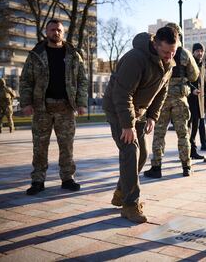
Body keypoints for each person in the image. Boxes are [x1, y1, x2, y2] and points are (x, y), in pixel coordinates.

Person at [103, 26, 178, 223]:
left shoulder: (168, 62)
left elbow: (162, 92)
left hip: (139, 112)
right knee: (130, 152)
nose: (169, 56)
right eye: (165, 52)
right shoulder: (135, 59)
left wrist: (152, 116)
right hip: (119, 110)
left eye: (173, 51)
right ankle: (130, 205)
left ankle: (121, 192)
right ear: (155, 44)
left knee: (142, 155)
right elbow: (122, 94)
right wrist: (127, 125)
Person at [20, 19, 88, 196]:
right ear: (46, 31)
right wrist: (26, 103)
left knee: (67, 146)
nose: (55, 33)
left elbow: (82, 80)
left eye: (58, 30)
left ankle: (67, 179)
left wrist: (81, 103)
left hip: (65, 108)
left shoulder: (73, 55)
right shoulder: (36, 54)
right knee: (39, 146)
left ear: (63, 32)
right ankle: (38, 180)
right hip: (42, 108)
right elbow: (26, 80)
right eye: (52, 30)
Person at [144, 23, 199, 178]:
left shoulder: (158, 51)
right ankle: (186, 166)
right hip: (180, 99)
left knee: (159, 134)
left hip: (161, 99)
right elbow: (194, 75)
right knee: (183, 134)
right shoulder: (184, 54)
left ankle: (156, 167)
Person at [187, 42, 206, 159]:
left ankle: (193, 150)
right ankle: (190, 150)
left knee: (196, 125)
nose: (200, 53)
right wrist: (192, 90)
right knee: (189, 126)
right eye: (197, 51)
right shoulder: (190, 63)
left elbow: (204, 82)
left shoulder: (202, 64)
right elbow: (186, 80)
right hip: (190, 99)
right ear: (193, 52)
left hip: (200, 100)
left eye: (202, 51)